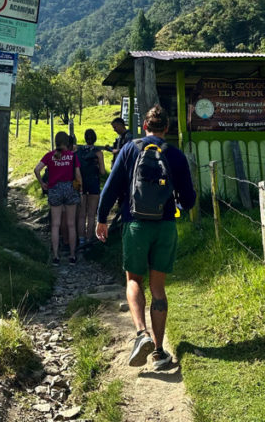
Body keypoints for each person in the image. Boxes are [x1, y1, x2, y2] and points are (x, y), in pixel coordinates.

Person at [96, 105, 196, 371]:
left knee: (133, 280)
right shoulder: (174, 154)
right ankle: (160, 353)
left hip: (135, 224)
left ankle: (142, 334)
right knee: (158, 288)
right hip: (164, 226)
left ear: (144, 127)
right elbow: (189, 198)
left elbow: (111, 187)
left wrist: (101, 218)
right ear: (166, 129)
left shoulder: (130, 149)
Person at [34, 131, 83, 265]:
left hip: (54, 189)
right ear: (67, 142)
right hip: (70, 189)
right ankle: (72, 256)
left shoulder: (50, 156)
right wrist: (81, 188)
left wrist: (42, 183)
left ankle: (56, 256)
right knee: (71, 224)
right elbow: (77, 175)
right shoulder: (72, 157)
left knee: (55, 225)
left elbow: (37, 170)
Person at [75, 129, 106, 250]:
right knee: (92, 214)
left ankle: (81, 239)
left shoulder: (78, 151)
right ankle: (89, 239)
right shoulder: (98, 153)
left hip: (81, 184)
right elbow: (103, 171)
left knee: (81, 215)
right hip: (94, 184)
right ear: (95, 138)